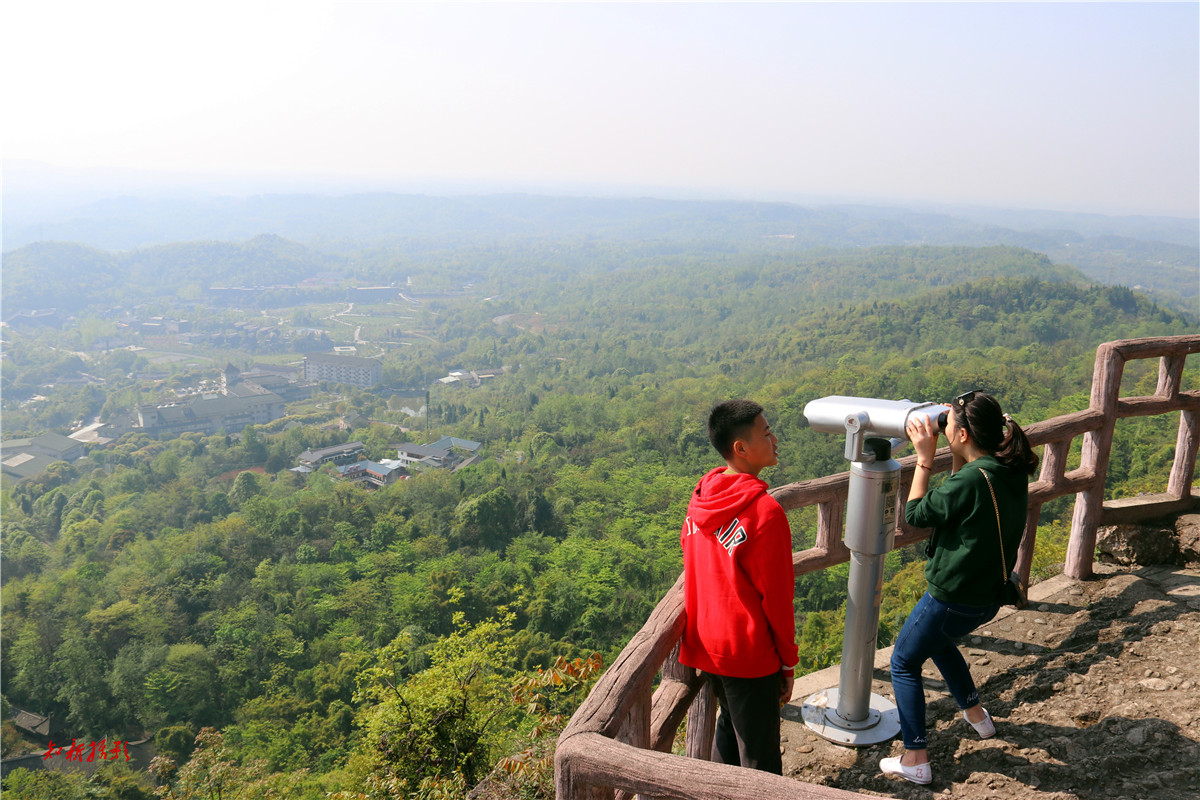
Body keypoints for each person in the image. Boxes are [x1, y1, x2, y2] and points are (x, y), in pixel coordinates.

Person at [880, 390, 1039, 785]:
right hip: (990, 596)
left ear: (965, 435)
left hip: (951, 598)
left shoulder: (968, 480)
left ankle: (915, 756)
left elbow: (916, 513)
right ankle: (976, 716)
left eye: (949, 425)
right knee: (938, 642)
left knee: (902, 661)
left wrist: (924, 458)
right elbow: (966, 497)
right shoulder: (1009, 469)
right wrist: (950, 441)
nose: (944, 430)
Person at [679, 399, 799, 774]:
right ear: (740, 448)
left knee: (731, 733)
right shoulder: (765, 514)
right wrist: (789, 661)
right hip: (748, 655)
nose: (774, 438)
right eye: (766, 432)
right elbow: (777, 599)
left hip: (706, 645)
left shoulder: (702, 495)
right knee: (761, 761)